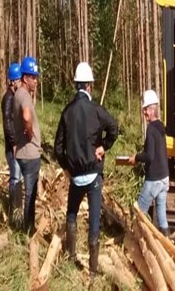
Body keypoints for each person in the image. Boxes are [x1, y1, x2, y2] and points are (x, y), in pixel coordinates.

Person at [54, 62, 119, 279]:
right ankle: (91, 271)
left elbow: (58, 148)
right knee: (93, 220)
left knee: (71, 214)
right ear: (89, 86)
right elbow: (114, 129)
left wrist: (66, 168)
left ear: (76, 85)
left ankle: (70, 256)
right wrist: (104, 146)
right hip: (93, 176)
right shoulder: (97, 110)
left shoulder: (67, 111)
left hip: (75, 176)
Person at [128, 90, 170, 236]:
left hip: (154, 179)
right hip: (165, 178)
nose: (144, 112)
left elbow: (150, 156)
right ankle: (167, 243)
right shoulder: (161, 126)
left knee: (139, 212)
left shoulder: (151, 129)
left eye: (146, 109)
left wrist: (136, 158)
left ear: (153, 109)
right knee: (162, 216)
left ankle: (136, 244)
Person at [13, 56, 41, 233]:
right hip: (29, 154)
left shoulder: (19, 94)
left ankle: (28, 226)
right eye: (32, 77)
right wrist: (30, 133)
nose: (35, 81)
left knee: (30, 192)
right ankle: (28, 229)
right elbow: (26, 116)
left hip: (26, 153)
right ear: (24, 78)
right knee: (30, 194)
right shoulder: (23, 96)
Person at [2, 62, 23, 228]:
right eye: (19, 81)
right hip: (12, 147)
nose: (21, 84)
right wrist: (14, 143)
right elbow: (7, 123)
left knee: (19, 177)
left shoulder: (14, 97)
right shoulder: (8, 99)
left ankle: (18, 209)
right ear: (13, 81)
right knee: (15, 177)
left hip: (17, 145)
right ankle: (13, 210)